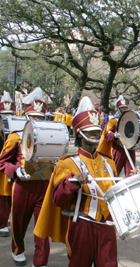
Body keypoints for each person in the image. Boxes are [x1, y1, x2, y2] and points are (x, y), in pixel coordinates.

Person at [34, 96, 140, 267]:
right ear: (80, 134)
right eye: (91, 131)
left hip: (106, 225)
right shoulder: (67, 162)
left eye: (97, 131)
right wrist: (73, 182)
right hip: (82, 225)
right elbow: (57, 199)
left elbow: (114, 193)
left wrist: (130, 180)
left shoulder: (108, 161)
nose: (96, 134)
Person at [0, 87, 50, 266]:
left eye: (40, 118)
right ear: (27, 117)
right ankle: (18, 249)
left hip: (44, 184)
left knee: (43, 224)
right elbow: (2, 162)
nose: (37, 121)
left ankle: (41, 259)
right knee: (19, 222)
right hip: (23, 185)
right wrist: (15, 170)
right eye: (34, 117)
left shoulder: (51, 136)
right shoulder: (15, 137)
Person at [97, 95, 136, 176]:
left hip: (130, 148)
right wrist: (114, 136)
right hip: (119, 149)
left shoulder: (132, 120)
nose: (124, 109)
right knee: (115, 172)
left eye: (125, 108)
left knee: (131, 173)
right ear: (118, 109)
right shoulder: (113, 121)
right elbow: (107, 135)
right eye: (122, 108)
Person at [0, 91, 15, 238]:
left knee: (7, 195)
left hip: (8, 166)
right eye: (4, 114)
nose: (6, 117)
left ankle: (4, 219)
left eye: (9, 113)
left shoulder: (16, 129)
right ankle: (2, 222)